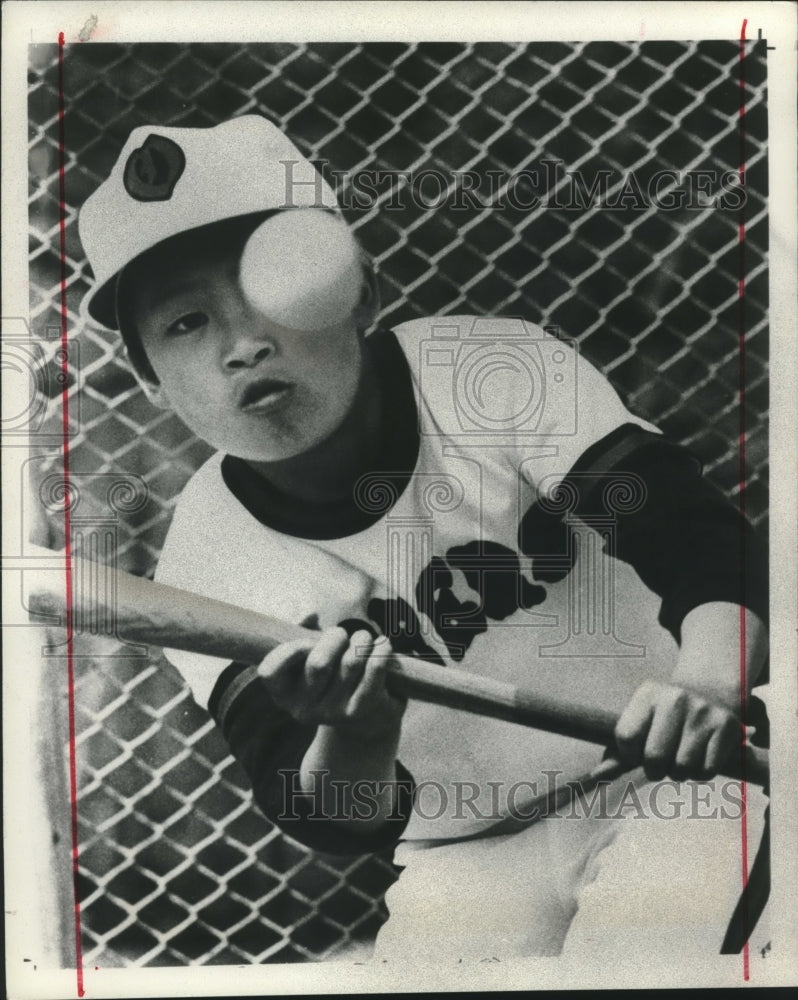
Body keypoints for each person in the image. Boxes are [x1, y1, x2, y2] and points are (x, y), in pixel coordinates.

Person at [78, 113, 769, 960]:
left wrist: (710, 682)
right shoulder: (206, 554)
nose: (243, 344)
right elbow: (331, 820)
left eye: (269, 287)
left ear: (358, 292)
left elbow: (704, 545)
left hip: (683, 774)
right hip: (463, 853)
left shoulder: (490, 374)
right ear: (148, 378)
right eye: (186, 323)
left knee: (640, 959)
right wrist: (356, 732)